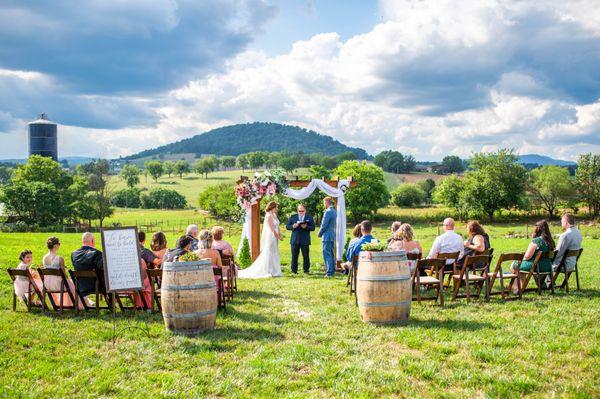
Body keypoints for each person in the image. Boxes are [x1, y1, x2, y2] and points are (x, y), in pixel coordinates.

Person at [238, 201, 283, 278]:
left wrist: (280, 234)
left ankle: (274, 269)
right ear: (272, 207)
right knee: (269, 252)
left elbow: (277, 226)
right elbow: (272, 229)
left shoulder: (274, 215)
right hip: (271, 236)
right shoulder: (268, 216)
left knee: (274, 252)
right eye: (276, 207)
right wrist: (278, 236)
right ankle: (268, 269)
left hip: (275, 236)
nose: (277, 209)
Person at [511, 220, 556, 291]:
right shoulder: (551, 241)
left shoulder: (536, 241)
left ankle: (517, 288)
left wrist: (520, 259)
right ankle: (524, 286)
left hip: (536, 266)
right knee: (521, 265)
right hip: (547, 266)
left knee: (515, 264)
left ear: (538, 229)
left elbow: (527, 256)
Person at [42, 236, 86, 308]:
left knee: (70, 283)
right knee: (73, 284)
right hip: (59, 284)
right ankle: (76, 304)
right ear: (56, 245)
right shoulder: (60, 258)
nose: (59, 245)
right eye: (59, 244)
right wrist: (68, 279)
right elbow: (64, 274)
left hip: (47, 284)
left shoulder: (44, 258)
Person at [285, 204, 316, 274]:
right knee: (294, 256)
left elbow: (313, 228)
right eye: (299, 211)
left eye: (302, 211)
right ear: (297, 211)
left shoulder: (309, 217)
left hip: (305, 240)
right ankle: (294, 270)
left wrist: (306, 227)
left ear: (305, 211)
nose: (301, 212)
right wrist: (293, 226)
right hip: (295, 240)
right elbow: (287, 226)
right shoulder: (293, 217)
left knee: (306, 256)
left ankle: (306, 270)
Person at [318, 197, 337, 277]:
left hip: (327, 235)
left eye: (324, 203)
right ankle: (332, 271)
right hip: (332, 234)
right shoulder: (334, 211)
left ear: (326, 202)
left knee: (327, 253)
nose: (324, 205)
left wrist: (319, 233)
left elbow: (324, 224)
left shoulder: (328, 212)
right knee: (331, 254)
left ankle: (329, 272)